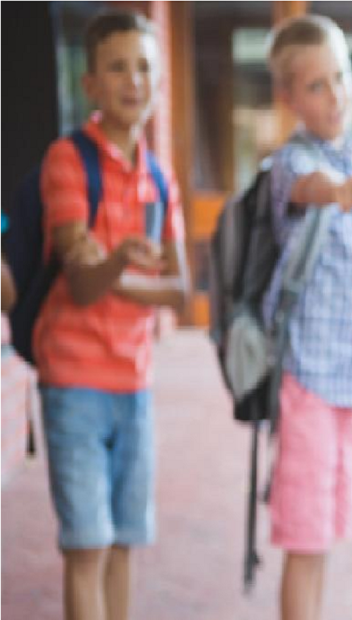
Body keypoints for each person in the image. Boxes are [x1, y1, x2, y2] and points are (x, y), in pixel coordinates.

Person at [34, 9, 189, 620]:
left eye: (145, 66)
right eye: (118, 67)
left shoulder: (159, 174)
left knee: (124, 541)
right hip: (73, 378)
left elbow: (179, 291)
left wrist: (110, 267)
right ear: (90, 84)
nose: (135, 80)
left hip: (135, 381)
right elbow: (79, 282)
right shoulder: (67, 161)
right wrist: (122, 262)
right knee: (87, 545)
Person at [264, 15, 352, 620]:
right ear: (289, 98)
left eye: (340, 76)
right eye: (315, 85)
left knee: (326, 540)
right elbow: (306, 186)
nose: (335, 93)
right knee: (305, 542)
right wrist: (337, 192)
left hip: (349, 386)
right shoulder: (292, 163)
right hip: (308, 384)